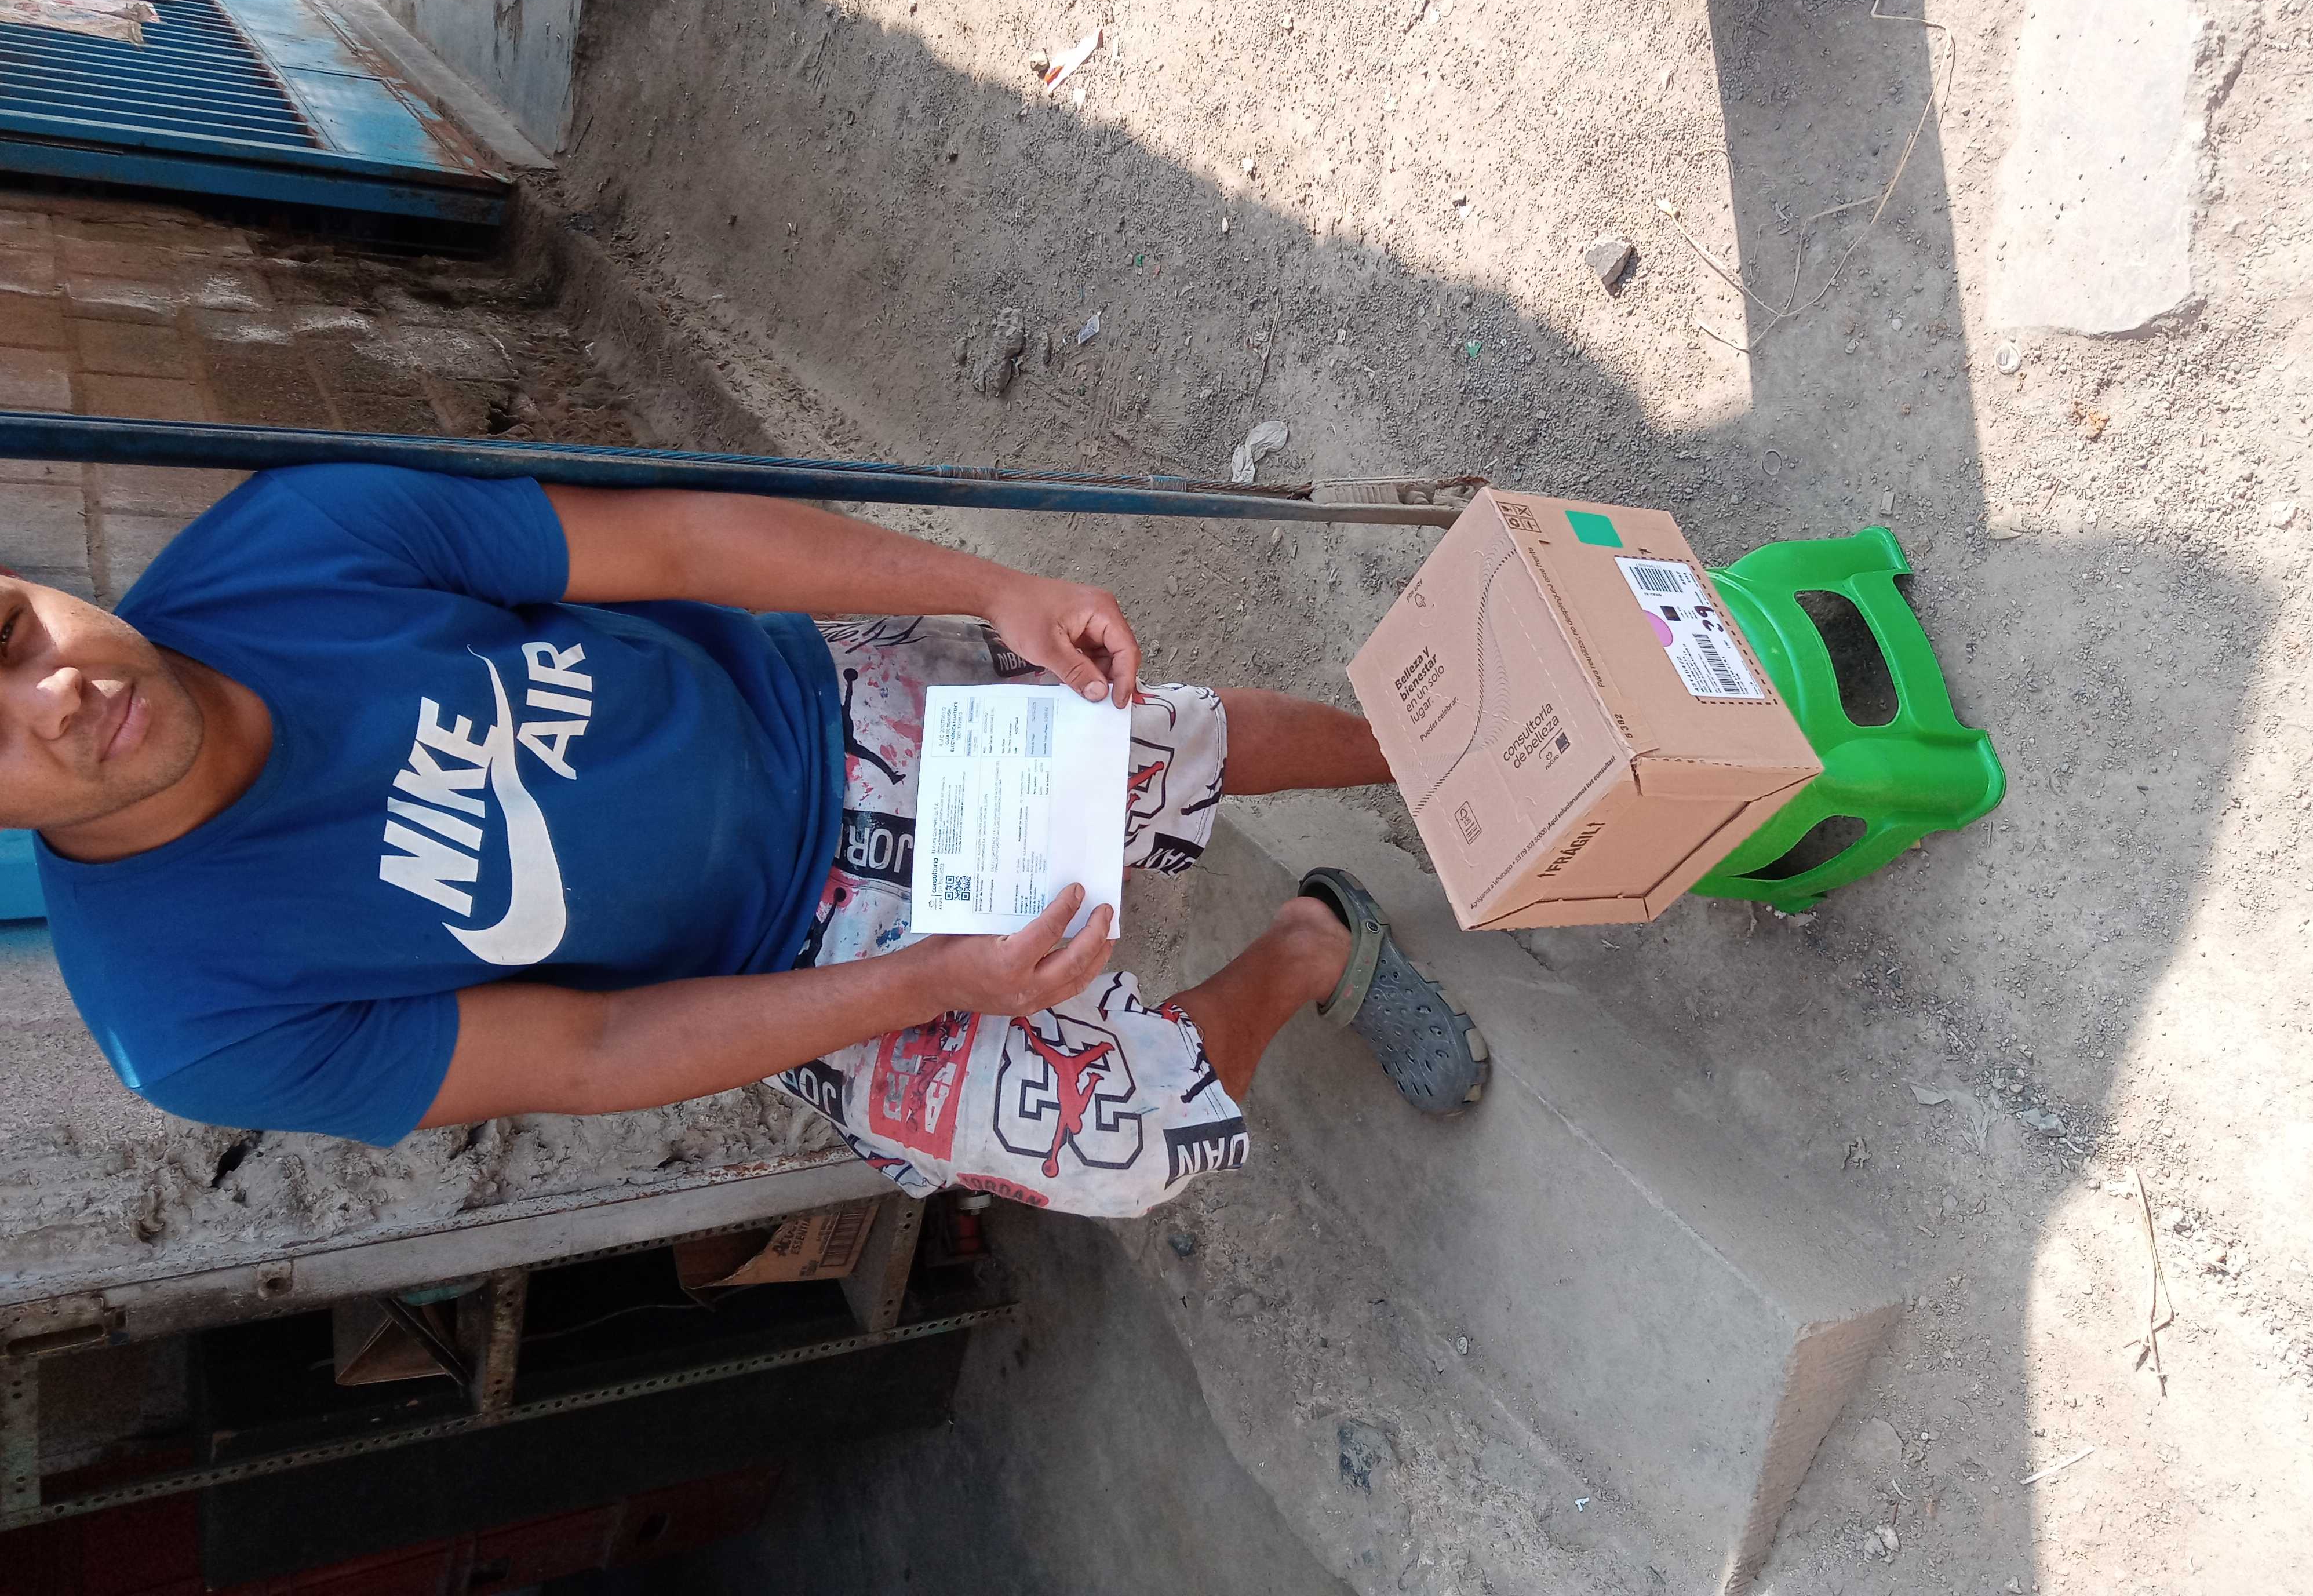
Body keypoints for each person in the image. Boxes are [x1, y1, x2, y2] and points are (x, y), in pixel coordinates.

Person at [10, 466, 1486, 1218]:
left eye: (13, 635)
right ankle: (1313, 946)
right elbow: (591, 1057)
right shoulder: (187, 1020)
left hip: (815, 707)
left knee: (1150, 747)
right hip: (791, 963)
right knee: (1129, 1150)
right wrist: (932, 981)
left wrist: (995, 589)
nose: (61, 698)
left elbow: (677, 544)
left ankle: (1452, 759)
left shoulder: (284, 542)